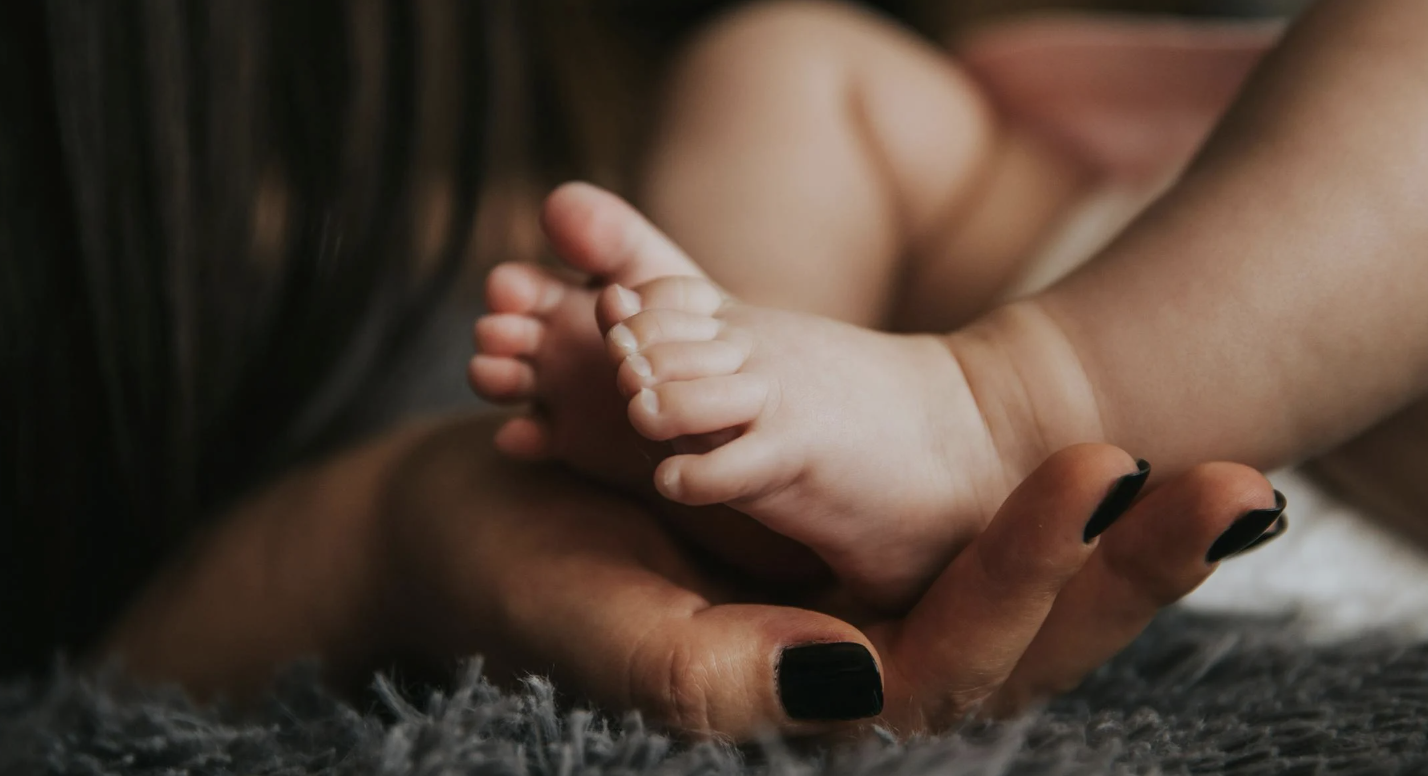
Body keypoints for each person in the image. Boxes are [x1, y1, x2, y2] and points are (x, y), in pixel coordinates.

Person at [0, 0, 1295, 743]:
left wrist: (1010, 396)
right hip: (1020, 297)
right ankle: (765, 446)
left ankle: (951, 411)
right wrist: (374, 534)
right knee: (783, 58)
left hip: (1254, 375)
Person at [473, 0, 1422, 616]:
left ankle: (993, 415)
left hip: (1338, 420)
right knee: (791, 59)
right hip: (1132, 262)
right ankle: (756, 442)